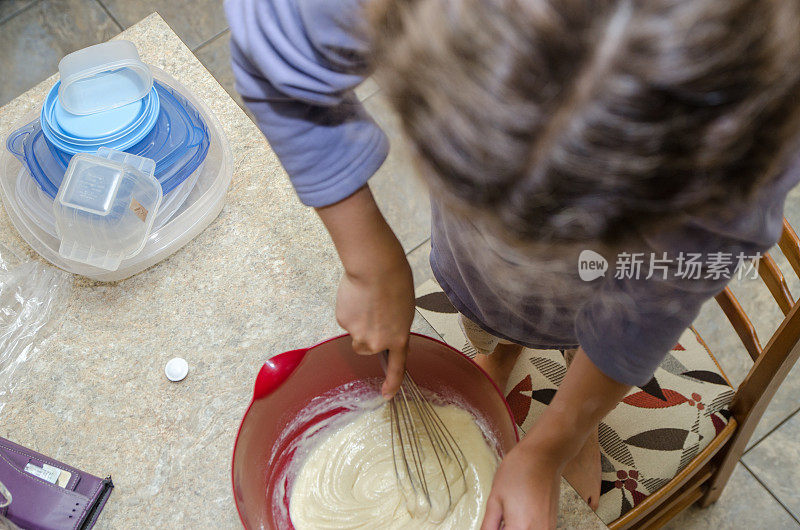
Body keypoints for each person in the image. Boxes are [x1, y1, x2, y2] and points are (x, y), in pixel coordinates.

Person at [225, 0, 800, 527]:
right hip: (475, 265)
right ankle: (500, 348)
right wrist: (366, 258)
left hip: (605, 291)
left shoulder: (749, 142)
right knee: (486, 303)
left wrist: (551, 445)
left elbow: (642, 316)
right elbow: (274, 67)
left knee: (586, 322)